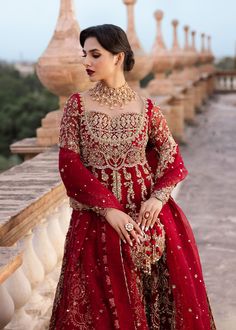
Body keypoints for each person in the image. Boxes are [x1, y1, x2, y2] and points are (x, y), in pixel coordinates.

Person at [49, 24, 216, 330]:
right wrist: (108, 208)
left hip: (147, 217)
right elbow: (69, 163)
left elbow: (171, 153)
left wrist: (158, 196)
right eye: (84, 54)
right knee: (101, 304)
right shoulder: (77, 105)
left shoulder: (146, 107)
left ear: (118, 57)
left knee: (155, 298)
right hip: (96, 218)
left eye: (95, 54)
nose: (86, 62)